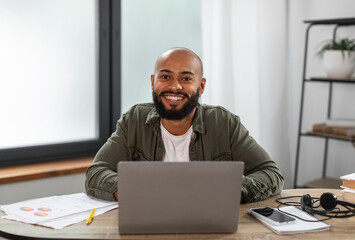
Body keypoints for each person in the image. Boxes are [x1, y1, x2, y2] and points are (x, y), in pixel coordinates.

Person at [85, 47, 284, 203]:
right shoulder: (134, 120)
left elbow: (270, 174)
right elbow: (96, 172)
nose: (175, 86)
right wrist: (133, 189)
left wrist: (231, 190)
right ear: (153, 82)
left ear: (202, 86)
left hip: (210, 226)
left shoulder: (224, 123)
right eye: (165, 77)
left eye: (186, 78)